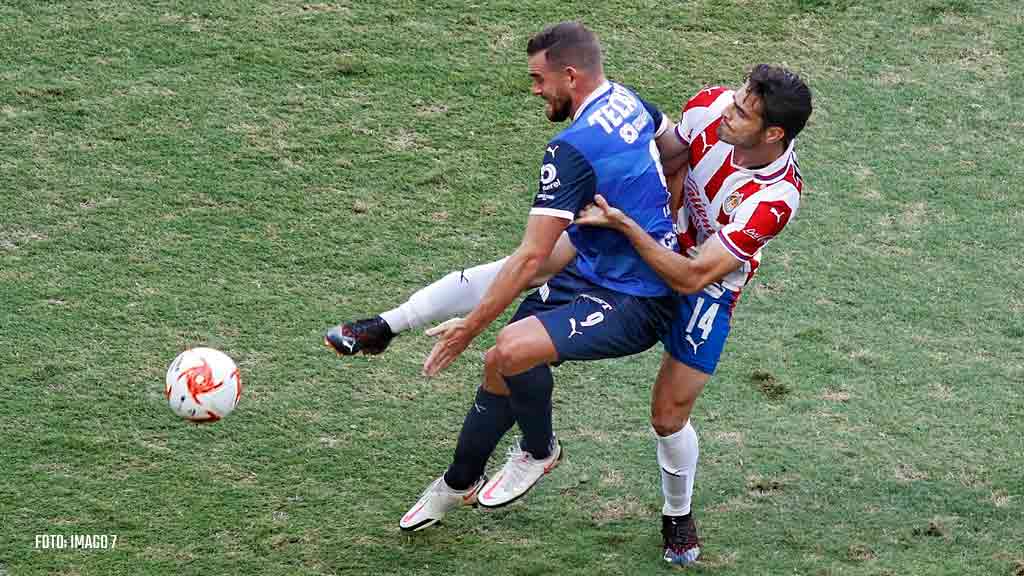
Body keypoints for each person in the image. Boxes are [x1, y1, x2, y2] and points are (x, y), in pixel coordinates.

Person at [327, 61, 812, 565]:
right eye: (733, 100)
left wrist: (629, 227)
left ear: (772, 133)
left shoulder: (775, 198)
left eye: (742, 112)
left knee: (668, 416)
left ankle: (677, 513)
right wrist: (658, 213)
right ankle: (388, 325)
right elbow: (677, 157)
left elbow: (691, 278)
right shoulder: (710, 107)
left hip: (702, 285)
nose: (726, 112)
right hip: (642, 240)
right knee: (521, 272)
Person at [327, 21, 681, 536]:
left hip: (637, 297)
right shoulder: (627, 100)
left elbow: (530, 258)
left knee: (510, 347)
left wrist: (469, 327)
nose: (535, 90)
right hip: (594, 261)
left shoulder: (570, 147)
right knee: (500, 364)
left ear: (570, 73)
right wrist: (647, 220)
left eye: (539, 80)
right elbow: (674, 153)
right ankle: (455, 483)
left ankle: (539, 450)